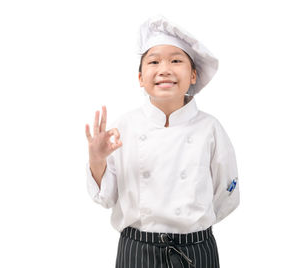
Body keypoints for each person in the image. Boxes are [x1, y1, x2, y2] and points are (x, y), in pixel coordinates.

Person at [84, 15, 240, 268]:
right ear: (140, 78)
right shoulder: (126, 125)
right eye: (154, 61)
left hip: (196, 250)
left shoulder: (210, 128)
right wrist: (97, 158)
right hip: (137, 249)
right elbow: (107, 197)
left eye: (176, 60)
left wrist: (193, 228)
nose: (165, 69)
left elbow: (226, 194)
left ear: (192, 75)